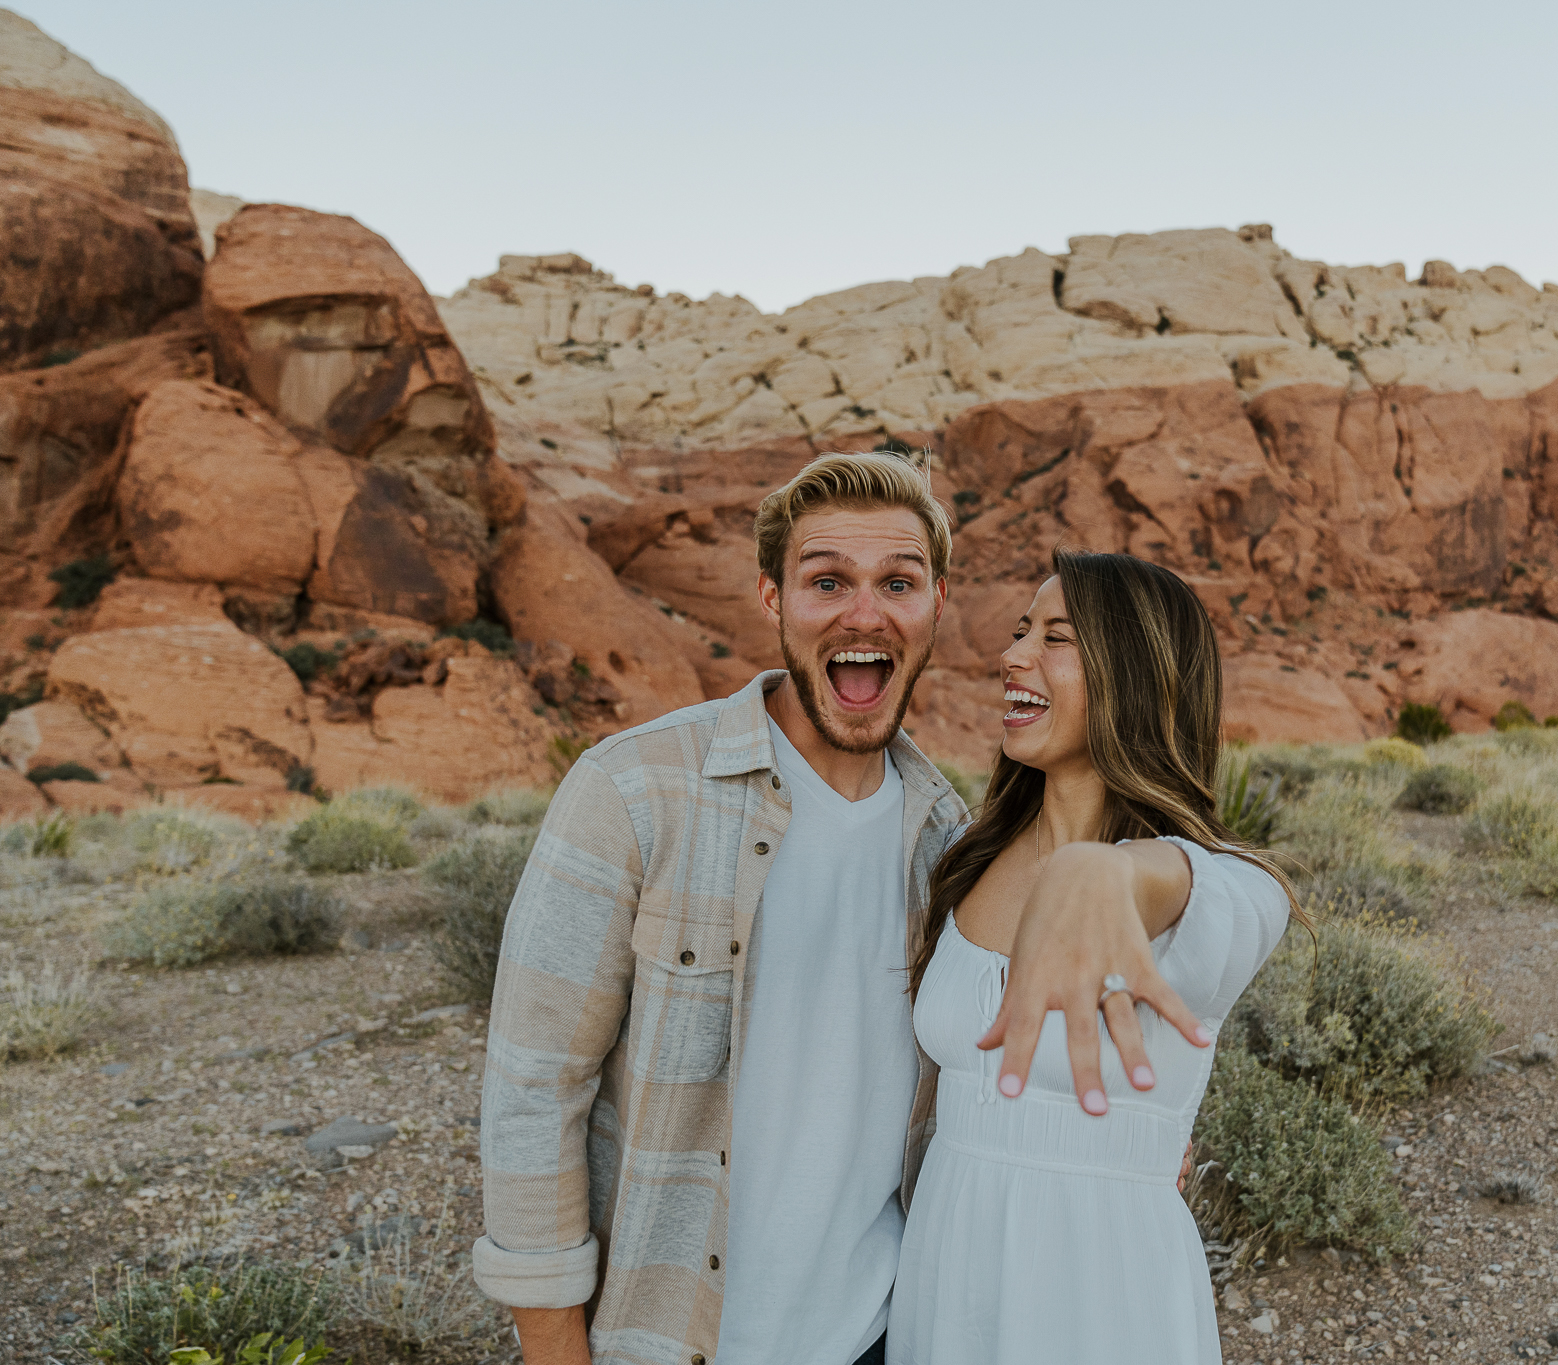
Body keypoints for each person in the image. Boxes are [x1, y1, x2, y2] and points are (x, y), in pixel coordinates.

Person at [473, 452, 1212, 1365]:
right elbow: (531, 1091)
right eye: (827, 580)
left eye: (897, 581)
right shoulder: (635, 791)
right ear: (772, 597)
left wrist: (1134, 1143)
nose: (865, 612)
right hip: (667, 1340)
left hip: (883, 1337)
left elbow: (980, 1072)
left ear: (937, 602)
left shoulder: (954, 846)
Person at [888, 549, 1298, 1365]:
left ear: (1135, 675)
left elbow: (1241, 896)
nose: (1013, 656)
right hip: (944, 1276)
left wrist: (1104, 870)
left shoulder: (1203, 889)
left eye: (1057, 638)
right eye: (1018, 632)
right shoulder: (965, 856)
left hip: (1100, 1294)